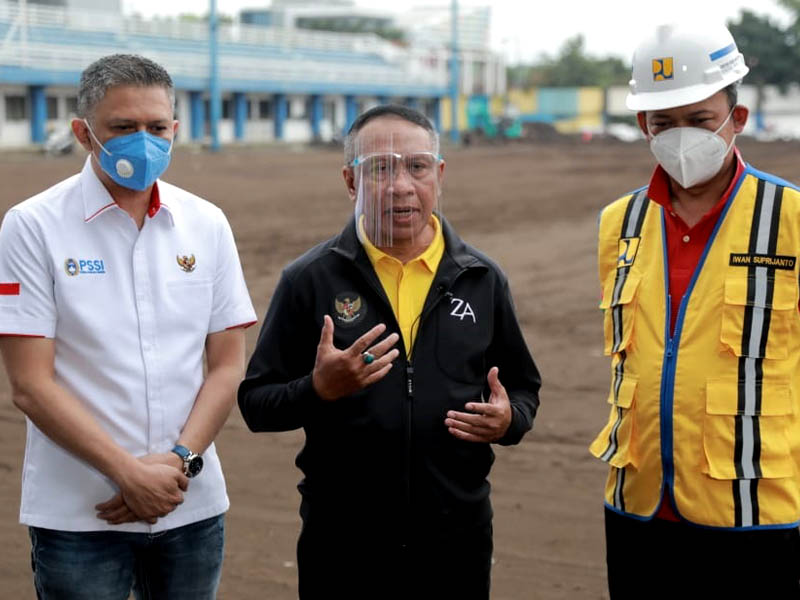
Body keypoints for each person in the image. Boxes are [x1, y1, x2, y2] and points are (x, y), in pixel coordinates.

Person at [238, 104, 541, 599]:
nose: (401, 185)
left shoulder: (482, 279)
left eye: (417, 166)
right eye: (379, 167)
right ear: (350, 180)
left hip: (456, 540)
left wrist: (511, 422)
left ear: (439, 175)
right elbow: (256, 404)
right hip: (342, 546)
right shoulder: (308, 280)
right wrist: (318, 389)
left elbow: (523, 389)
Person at [0, 54, 256, 599]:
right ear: (83, 132)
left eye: (156, 127)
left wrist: (180, 462)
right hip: (81, 515)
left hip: (191, 504)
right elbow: (29, 384)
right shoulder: (32, 227)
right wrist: (127, 473)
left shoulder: (206, 223)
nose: (143, 142)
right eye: (123, 128)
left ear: (175, 129)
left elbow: (228, 364)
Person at [590, 23, 800, 598]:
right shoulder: (619, 225)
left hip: (759, 513)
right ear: (642, 127)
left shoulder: (790, 219)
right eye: (663, 124)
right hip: (637, 510)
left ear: (738, 118)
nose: (681, 138)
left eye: (700, 120)